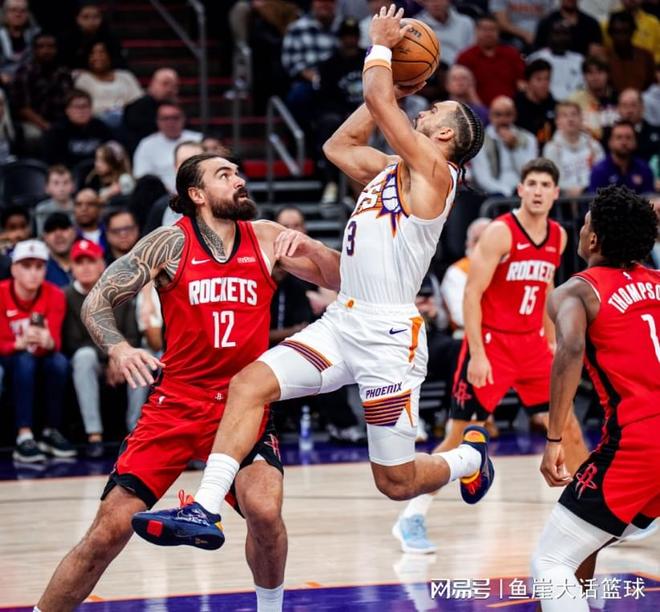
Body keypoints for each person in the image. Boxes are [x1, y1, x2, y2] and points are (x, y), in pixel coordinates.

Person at [132, 5, 493, 553]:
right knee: (248, 384)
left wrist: (381, 50)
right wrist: (390, 88)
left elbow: (380, 102)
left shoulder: (436, 172)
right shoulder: (394, 169)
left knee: (395, 482)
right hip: (342, 321)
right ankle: (205, 508)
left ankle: (467, 458)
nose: (426, 106)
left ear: (445, 132)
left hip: (389, 338)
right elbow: (338, 147)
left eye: (436, 108)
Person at [35, 152, 342, 612]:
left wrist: (314, 250)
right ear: (196, 194)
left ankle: (270, 608)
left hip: (243, 405)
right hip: (176, 404)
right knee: (108, 530)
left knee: (265, 513)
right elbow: (97, 300)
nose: (238, 179)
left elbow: (343, 279)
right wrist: (120, 348)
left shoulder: (265, 237)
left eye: (237, 171)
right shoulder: (169, 243)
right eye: (224, 175)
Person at [392, 158, 588, 554]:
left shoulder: (558, 236)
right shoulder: (501, 232)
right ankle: (411, 517)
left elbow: (546, 287)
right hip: (492, 344)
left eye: (545, 185)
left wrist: (550, 338)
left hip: (532, 346)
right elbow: (472, 294)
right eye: (531, 183)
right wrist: (477, 354)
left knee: (567, 426)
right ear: (520, 189)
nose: (537, 191)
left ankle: (595, 512)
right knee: (459, 436)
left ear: (555, 192)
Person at [531, 185, 660, 610]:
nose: (582, 227)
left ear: (593, 240)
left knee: (551, 561)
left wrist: (554, 438)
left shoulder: (577, 291)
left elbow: (569, 349)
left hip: (639, 441)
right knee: (586, 535)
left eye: (586, 222)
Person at [62, 239, 141, 458]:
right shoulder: (66, 296)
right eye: (80, 262)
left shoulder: (120, 291)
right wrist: (112, 356)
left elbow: (132, 335)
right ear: (72, 267)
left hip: (121, 360)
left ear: (101, 265)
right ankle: (94, 434)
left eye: (91, 261)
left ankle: (136, 434)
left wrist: (120, 357)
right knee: (84, 356)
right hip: (94, 362)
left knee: (141, 359)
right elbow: (73, 342)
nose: (85, 267)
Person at [0, 239, 72, 463]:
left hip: (39, 355)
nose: (33, 272)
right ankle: (24, 436)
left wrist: (48, 342)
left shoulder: (55, 294)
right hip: (8, 358)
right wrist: (18, 344)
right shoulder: (1, 293)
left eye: (39, 267)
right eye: (26, 266)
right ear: (14, 269)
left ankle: (51, 432)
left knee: (59, 362)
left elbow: (56, 342)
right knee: (24, 360)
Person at [470, 96, 537, 196]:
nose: (503, 120)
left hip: (523, 190)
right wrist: (506, 192)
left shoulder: (529, 139)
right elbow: (483, 178)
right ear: (490, 116)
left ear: (514, 116)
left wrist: (514, 147)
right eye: (498, 115)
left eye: (508, 114)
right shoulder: (481, 141)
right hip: (494, 193)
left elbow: (530, 172)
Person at [456, 15, 525, 107]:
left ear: (498, 32)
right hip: (476, 109)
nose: (488, 33)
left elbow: (522, 84)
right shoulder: (465, 57)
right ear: (476, 31)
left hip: (511, 109)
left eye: (492, 29)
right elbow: (463, 89)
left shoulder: (512, 54)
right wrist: (481, 110)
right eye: (484, 29)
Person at [132, 101, 202, 193]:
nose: (170, 122)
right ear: (157, 121)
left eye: (175, 118)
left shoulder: (199, 140)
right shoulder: (146, 144)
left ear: (183, 119)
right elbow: (142, 177)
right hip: (159, 196)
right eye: (165, 118)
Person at [74, 41, 142, 127]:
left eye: (102, 52)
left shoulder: (125, 75)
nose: (97, 57)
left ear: (110, 55)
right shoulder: (83, 79)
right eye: (92, 54)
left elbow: (139, 100)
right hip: (97, 124)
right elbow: (84, 106)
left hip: (128, 122)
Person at [542, 101, 604, 197]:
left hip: (591, 194)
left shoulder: (594, 145)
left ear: (581, 119)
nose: (570, 119)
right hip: (563, 197)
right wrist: (571, 191)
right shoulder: (551, 148)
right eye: (565, 115)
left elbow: (601, 173)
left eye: (574, 114)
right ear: (557, 121)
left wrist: (584, 190)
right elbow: (552, 178)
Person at [42, 89, 113, 169]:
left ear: (91, 109)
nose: (82, 111)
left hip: (97, 172)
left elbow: (113, 151)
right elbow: (53, 162)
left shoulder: (101, 127)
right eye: (77, 107)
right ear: (67, 110)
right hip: (68, 173)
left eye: (85, 106)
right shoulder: (56, 132)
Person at [588, 120, 654, 194]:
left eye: (628, 138)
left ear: (635, 142)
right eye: (619, 137)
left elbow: (650, 198)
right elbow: (595, 199)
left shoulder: (644, 169)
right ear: (610, 142)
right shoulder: (599, 171)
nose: (624, 142)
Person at [122, 67, 180, 152]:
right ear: (153, 84)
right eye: (165, 84)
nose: (169, 89)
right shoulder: (136, 108)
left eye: (174, 86)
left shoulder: (177, 108)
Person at [34, 166, 75, 237]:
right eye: (56, 183)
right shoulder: (42, 209)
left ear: (73, 186)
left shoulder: (79, 207)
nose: (61, 188)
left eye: (66, 182)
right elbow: (42, 236)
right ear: (47, 188)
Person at [42, 212, 76, 288]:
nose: (58, 234)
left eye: (63, 228)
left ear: (74, 233)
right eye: (51, 230)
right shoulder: (41, 269)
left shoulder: (89, 264)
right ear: (45, 238)